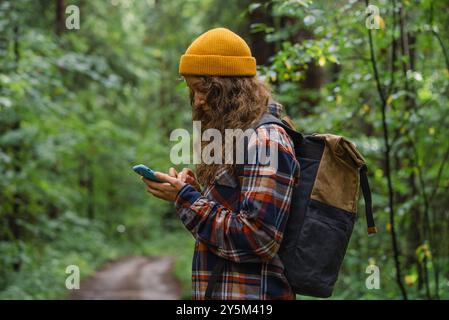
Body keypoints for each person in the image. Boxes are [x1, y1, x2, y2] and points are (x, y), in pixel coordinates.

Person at [142, 27, 299, 300]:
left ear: (231, 89)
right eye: (193, 91)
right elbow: (230, 222)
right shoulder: (240, 136)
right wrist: (194, 192)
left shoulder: (266, 139)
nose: (199, 101)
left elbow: (257, 239)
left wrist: (186, 199)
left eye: (203, 89)